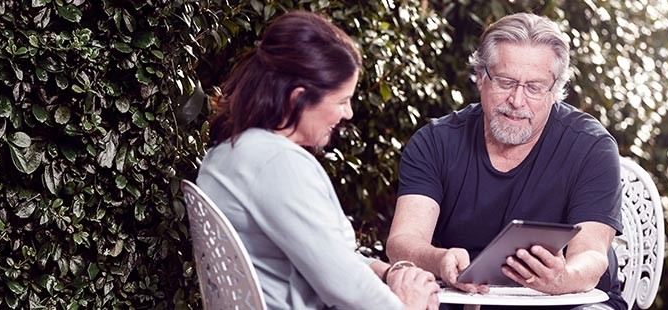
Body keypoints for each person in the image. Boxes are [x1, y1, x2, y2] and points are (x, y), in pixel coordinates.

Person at [196, 11, 440, 310]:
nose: (348, 113)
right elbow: (345, 289)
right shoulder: (278, 164)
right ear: (298, 98)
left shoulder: (227, 153)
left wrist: (387, 272)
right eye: (341, 101)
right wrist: (407, 304)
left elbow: (322, 256)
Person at [386, 12, 627, 310]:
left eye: (534, 87)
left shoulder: (592, 147)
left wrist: (561, 277)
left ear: (555, 91)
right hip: (462, 299)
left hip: (568, 302)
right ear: (480, 78)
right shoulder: (434, 143)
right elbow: (403, 241)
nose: (517, 100)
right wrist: (439, 260)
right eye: (505, 82)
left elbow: (591, 254)